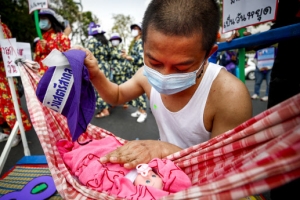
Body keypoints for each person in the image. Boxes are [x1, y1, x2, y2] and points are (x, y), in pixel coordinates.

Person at [74, 0, 252, 170]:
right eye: (154, 62)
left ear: (208, 54)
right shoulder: (144, 75)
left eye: (182, 67)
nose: (164, 76)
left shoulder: (229, 95)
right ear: (144, 46)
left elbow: (222, 167)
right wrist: (95, 74)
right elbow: (117, 96)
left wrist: (165, 150)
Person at [57, 136, 192, 199]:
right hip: (110, 154)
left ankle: (76, 151)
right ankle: (80, 148)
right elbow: (169, 171)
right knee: (106, 148)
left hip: (100, 164)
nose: (147, 175)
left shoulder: (126, 189)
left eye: (148, 180)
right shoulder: (149, 166)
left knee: (84, 158)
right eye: (152, 175)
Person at [0, 21, 32, 147]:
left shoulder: (1, 27)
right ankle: (7, 131)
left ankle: (17, 133)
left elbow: (7, 48)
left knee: (7, 104)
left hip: (4, 74)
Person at [121, 22, 148, 123]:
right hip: (134, 71)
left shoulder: (141, 41)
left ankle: (143, 112)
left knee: (141, 92)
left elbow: (141, 58)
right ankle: (138, 110)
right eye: (133, 28)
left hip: (139, 71)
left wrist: (129, 57)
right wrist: (127, 55)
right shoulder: (135, 42)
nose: (134, 30)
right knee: (136, 92)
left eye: (136, 28)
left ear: (141, 31)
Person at [34, 8, 71, 76]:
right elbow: (36, 59)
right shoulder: (40, 40)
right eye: (41, 19)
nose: (41, 21)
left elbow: (66, 55)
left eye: (44, 18)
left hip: (55, 76)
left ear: (51, 20)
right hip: (40, 77)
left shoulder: (62, 37)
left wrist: (48, 46)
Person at [86, 23, 111, 118]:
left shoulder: (92, 40)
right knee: (105, 86)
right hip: (106, 66)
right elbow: (109, 55)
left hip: (96, 66)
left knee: (98, 88)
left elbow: (87, 54)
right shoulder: (105, 41)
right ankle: (108, 106)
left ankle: (104, 110)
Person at [109, 32, 129, 108]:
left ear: (119, 40)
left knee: (123, 88)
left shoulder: (122, 49)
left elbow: (125, 58)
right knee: (114, 88)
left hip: (122, 71)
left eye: (116, 39)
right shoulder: (109, 50)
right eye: (113, 39)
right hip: (113, 72)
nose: (115, 41)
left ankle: (124, 102)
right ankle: (114, 102)